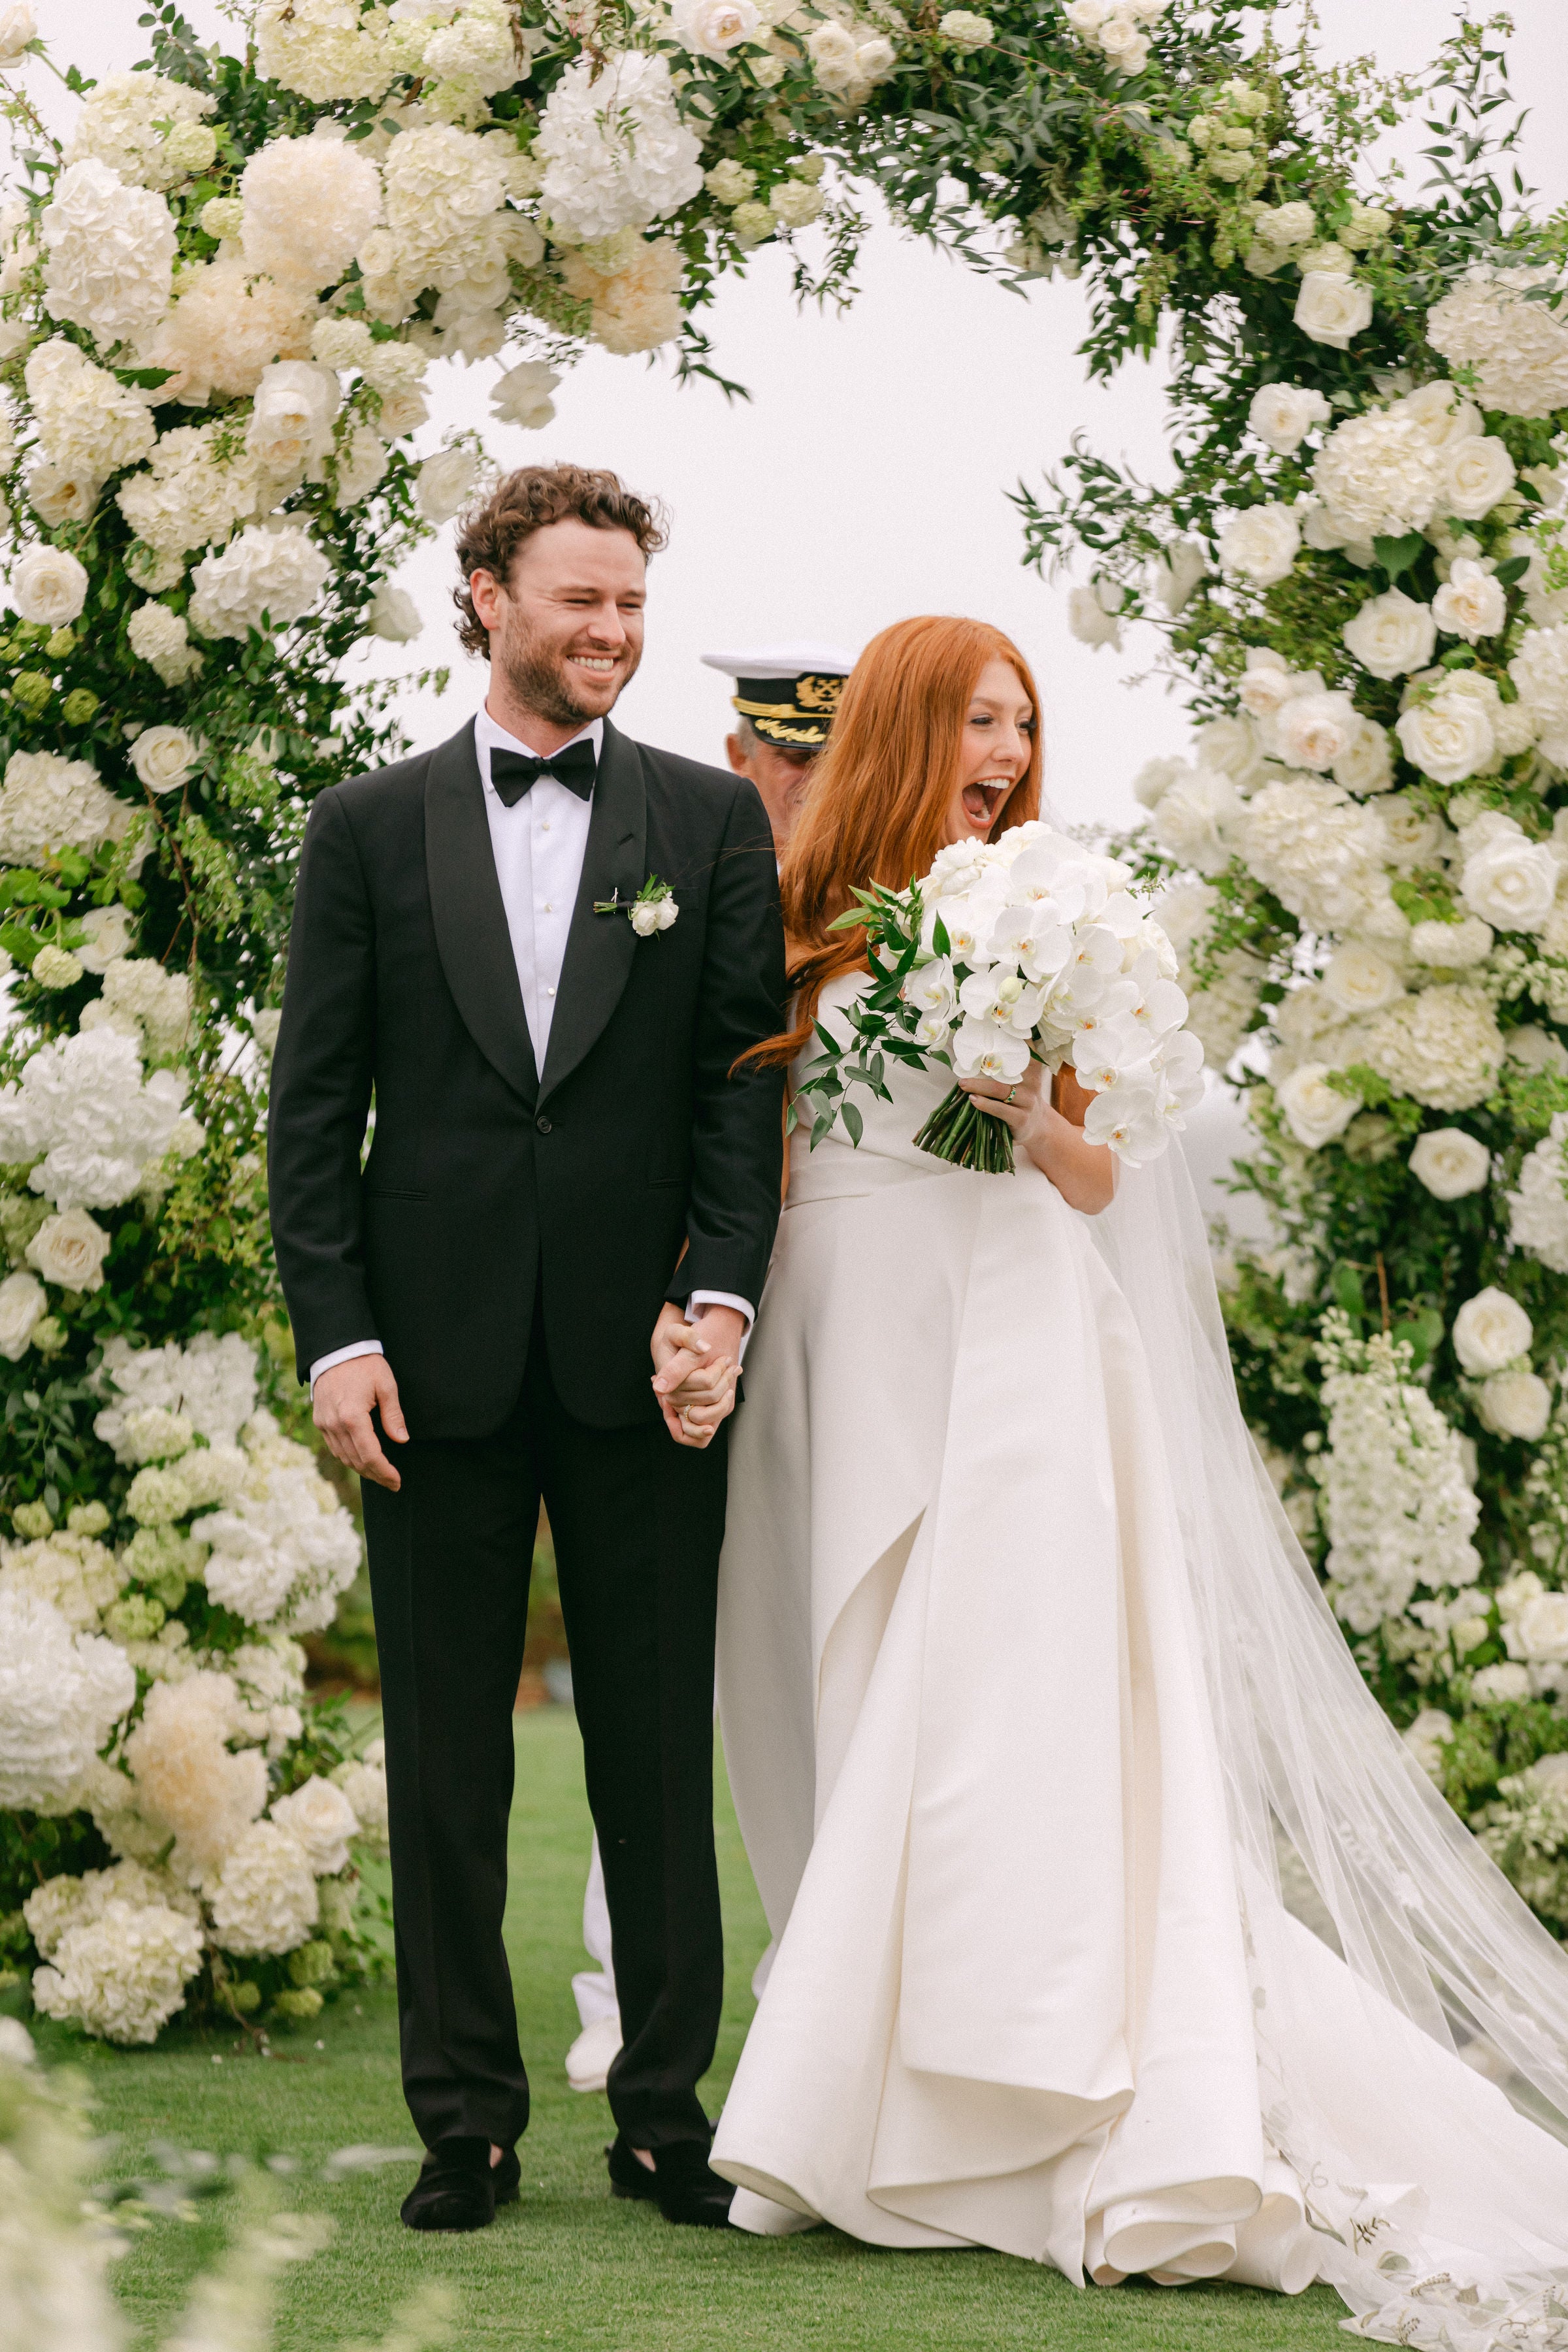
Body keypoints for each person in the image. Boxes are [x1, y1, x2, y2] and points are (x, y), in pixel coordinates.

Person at [710, 614, 1568, 2342]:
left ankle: (1020, 2091)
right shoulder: (795, 925)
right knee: (840, 1692)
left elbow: (1097, 1178)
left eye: (1023, 724)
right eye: (978, 722)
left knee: (977, 1719)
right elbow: (764, 1151)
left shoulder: (1053, 908)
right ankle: (869, 2083)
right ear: (904, 731)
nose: (1007, 756)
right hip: (833, 1344)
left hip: (1014, 1345)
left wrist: (1022, 1112)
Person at [267, 463, 785, 2235]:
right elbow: (314, 1108)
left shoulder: (710, 823)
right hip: (431, 1364)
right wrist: (338, 1337)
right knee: (446, 1764)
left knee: (651, 1752)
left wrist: (718, 1301)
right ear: (487, 595)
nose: (610, 630)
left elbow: (735, 1095)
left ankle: (662, 2117)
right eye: (579, 598)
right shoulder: (365, 828)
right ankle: (466, 2123)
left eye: (629, 601)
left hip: (645, 1368)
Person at [562, 634, 854, 2100]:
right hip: (673, 1321)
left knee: (830, 1651)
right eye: (784, 758)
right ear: (741, 757)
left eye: (826, 760)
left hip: (838, 1321)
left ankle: (831, 1992)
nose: (802, 786)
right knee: (654, 1664)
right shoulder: (664, 875)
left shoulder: (898, 919)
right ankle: (618, 1997)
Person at [701, 643, 853, 856]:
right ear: (740, 757)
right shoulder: (693, 865)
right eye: (800, 757)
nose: (822, 779)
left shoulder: (898, 870)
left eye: (844, 760)